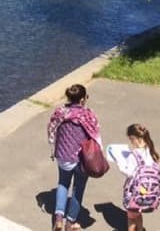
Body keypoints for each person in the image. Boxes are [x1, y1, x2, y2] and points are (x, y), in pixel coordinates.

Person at [47, 84, 102, 231]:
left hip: (63, 156)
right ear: (83, 99)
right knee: (78, 188)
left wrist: (54, 148)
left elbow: (51, 131)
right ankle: (70, 223)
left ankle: (58, 219)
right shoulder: (88, 115)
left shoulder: (60, 112)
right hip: (81, 159)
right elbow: (96, 135)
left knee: (63, 184)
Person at [107, 123, 160, 231]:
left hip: (134, 193)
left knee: (131, 218)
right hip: (147, 191)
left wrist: (119, 162)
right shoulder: (150, 151)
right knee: (138, 214)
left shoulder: (134, 155)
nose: (131, 143)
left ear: (134, 138)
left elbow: (129, 172)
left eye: (131, 140)